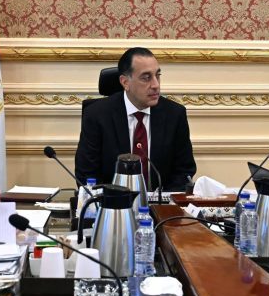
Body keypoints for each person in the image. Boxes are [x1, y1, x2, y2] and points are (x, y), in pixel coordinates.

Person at [75, 47, 196, 191]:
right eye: (146, 78)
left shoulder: (174, 114)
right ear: (125, 82)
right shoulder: (97, 115)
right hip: (111, 201)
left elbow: (184, 171)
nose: (156, 85)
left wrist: (162, 199)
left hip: (160, 201)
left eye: (157, 75)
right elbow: (86, 173)